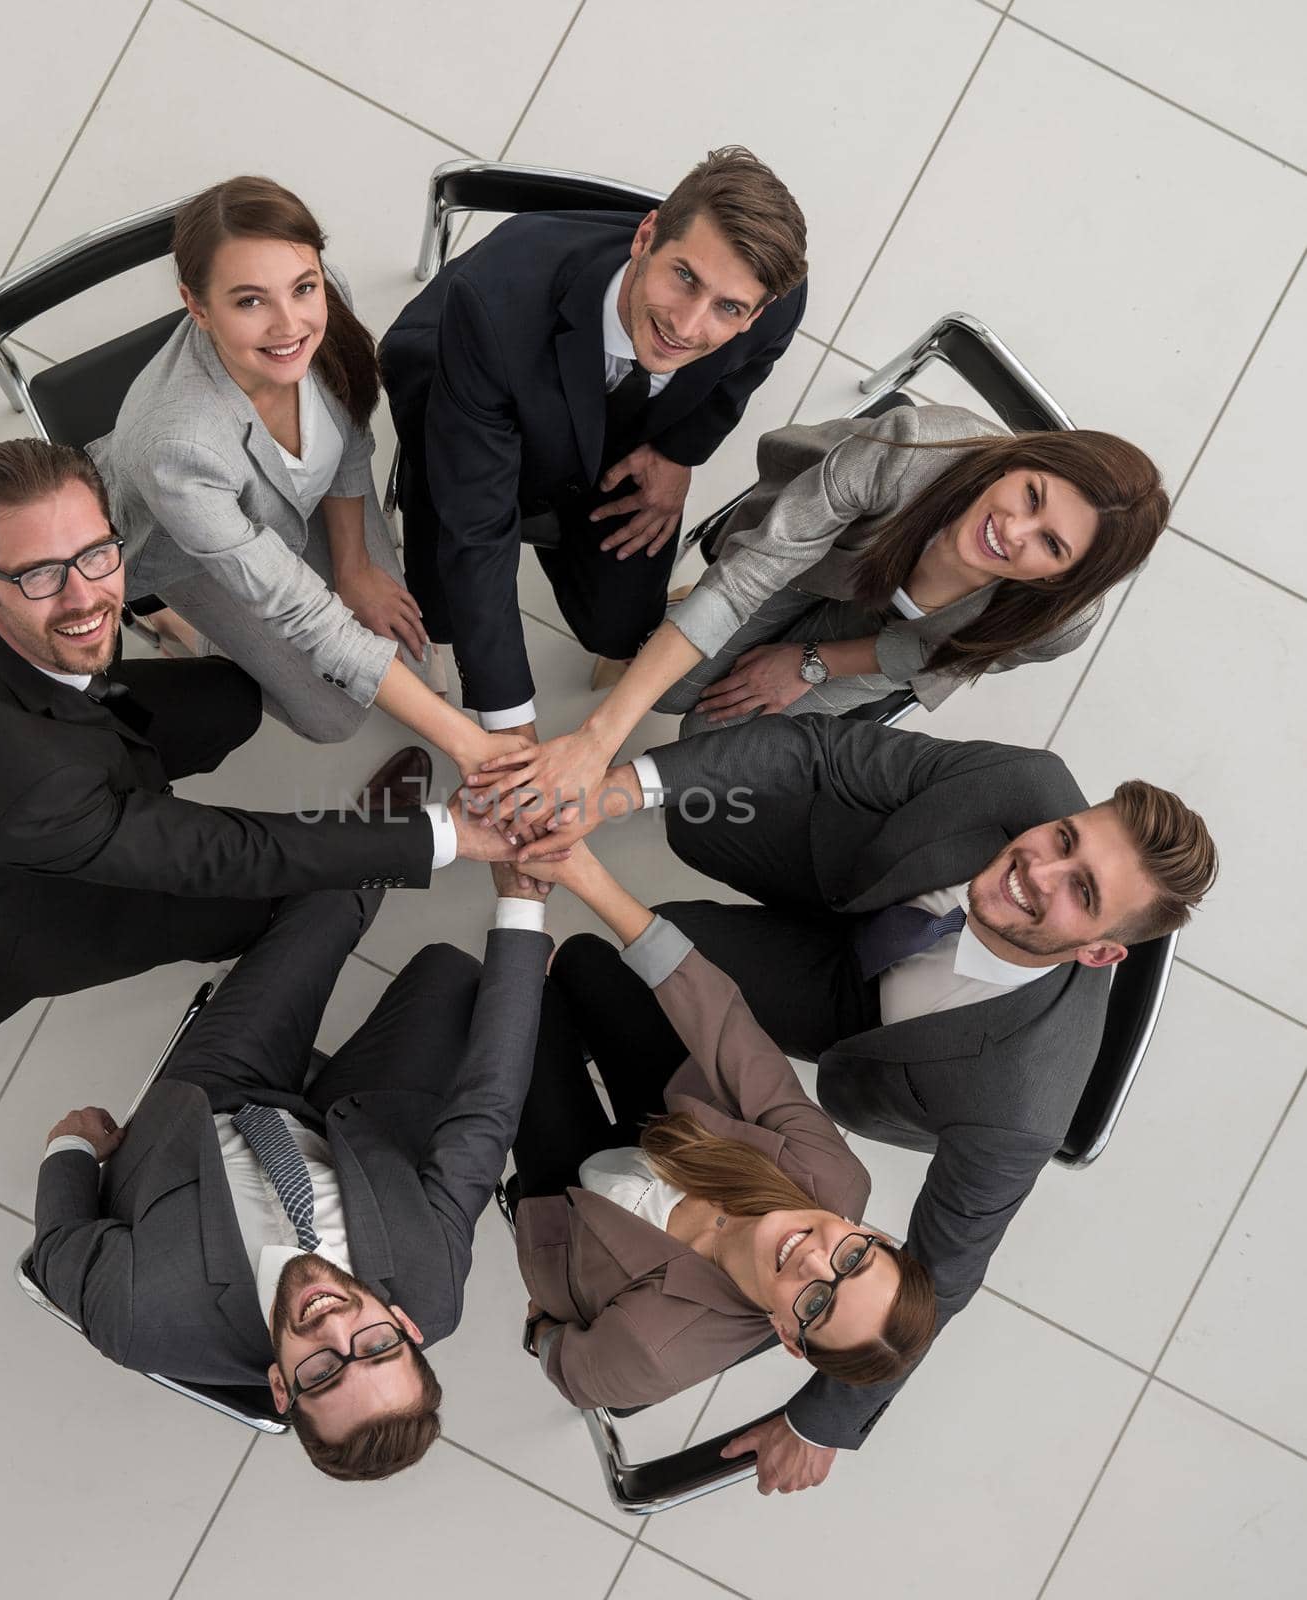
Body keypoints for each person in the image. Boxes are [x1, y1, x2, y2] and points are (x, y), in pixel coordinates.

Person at [513, 713, 1216, 1491]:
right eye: (1064, 840)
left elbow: (939, 1282)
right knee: (689, 831)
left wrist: (821, 1420)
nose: (1038, 871)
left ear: (1102, 953)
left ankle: (552, 1037)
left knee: (665, 965)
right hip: (861, 889)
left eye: (1081, 893)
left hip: (869, 1032)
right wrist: (616, 791)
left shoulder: (1015, 1109)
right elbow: (823, 751)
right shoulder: (1024, 785)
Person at [0, 438, 521, 1033]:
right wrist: (448, 834)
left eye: (95, 553)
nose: (86, 598)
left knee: (230, 700)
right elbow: (230, 853)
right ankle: (279, 908)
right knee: (238, 902)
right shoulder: (35, 790)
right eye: (41, 577)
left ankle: (140, 798)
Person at [32, 866, 551, 1481]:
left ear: (281, 1387)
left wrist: (69, 1146)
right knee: (453, 976)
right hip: (350, 1128)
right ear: (408, 1328)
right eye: (379, 1346)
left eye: (323, 1373)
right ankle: (391, 844)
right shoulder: (432, 1289)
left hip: (212, 1098)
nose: (334, 1327)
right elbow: (484, 1119)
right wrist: (521, 904)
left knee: (327, 906)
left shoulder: (142, 1317)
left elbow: (60, 1248)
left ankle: (375, 838)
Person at [470, 402, 1169, 820]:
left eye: (1049, 543)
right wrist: (597, 739)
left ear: (1062, 580)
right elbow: (751, 580)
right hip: (813, 562)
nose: (1013, 531)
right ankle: (678, 638)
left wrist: (813, 663)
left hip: (888, 640)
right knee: (676, 682)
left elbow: (938, 656)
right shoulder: (909, 451)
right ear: (1020, 461)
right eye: (1033, 494)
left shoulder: (1057, 625)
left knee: (713, 737)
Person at [92, 175, 521, 773]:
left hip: (301, 498)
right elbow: (298, 610)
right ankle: (169, 621)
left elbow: (347, 432)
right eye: (249, 301)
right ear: (197, 306)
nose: (290, 325)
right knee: (333, 717)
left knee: (407, 653)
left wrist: (352, 567)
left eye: (301, 287)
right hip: (194, 550)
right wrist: (468, 744)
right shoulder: (177, 449)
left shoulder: (329, 298)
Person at [380, 146, 808, 742]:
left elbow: (745, 368)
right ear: (647, 236)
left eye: (727, 308)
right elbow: (477, 528)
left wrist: (678, 452)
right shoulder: (492, 306)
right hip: (459, 405)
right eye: (684, 276)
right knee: (443, 608)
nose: (686, 327)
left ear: (755, 311)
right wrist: (509, 724)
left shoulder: (778, 304)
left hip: (621, 448)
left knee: (621, 630)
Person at [510, 843, 935, 1412]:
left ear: (788, 1336)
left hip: (574, 1210)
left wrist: (543, 1333)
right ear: (875, 1235)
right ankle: (556, 1018)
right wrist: (584, 874)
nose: (814, 1260)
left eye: (816, 1306)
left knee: (514, 1006)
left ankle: (540, 1021)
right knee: (587, 959)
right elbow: (730, 1031)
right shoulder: (833, 1177)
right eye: (855, 1259)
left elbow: (575, 1374)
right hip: (675, 1128)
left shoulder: (654, 1349)